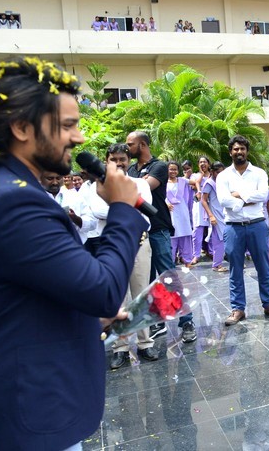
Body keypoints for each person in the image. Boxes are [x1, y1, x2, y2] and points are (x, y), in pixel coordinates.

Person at [0, 57, 145, 449]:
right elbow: (102, 289)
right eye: (68, 125)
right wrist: (121, 208)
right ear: (21, 127)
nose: (80, 137)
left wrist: (85, 317)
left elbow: (17, 296)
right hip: (28, 418)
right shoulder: (11, 203)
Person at [126, 130, 197, 343]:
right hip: (139, 233)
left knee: (168, 278)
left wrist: (127, 183)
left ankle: (187, 322)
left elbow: (142, 188)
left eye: (131, 144)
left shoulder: (159, 167)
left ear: (143, 145)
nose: (127, 147)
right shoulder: (130, 169)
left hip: (158, 230)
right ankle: (157, 323)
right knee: (146, 282)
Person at [217, 134, 269, 324]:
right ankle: (238, 309)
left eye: (242, 149)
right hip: (233, 227)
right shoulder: (223, 176)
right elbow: (223, 200)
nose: (239, 152)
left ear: (247, 151)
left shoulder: (259, 173)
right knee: (235, 269)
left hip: (257, 225)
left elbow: (263, 195)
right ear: (230, 152)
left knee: (263, 266)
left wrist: (238, 197)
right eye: (235, 149)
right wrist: (247, 200)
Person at [103, 143, 158, 370]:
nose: (118, 163)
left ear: (128, 161)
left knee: (142, 293)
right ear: (107, 161)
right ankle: (120, 348)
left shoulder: (140, 184)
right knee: (118, 297)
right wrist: (124, 207)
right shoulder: (98, 185)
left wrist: (114, 207)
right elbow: (96, 211)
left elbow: (145, 213)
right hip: (112, 246)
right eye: (113, 159)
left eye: (122, 159)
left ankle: (146, 343)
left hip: (139, 242)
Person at [200, 162, 227, 273]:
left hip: (225, 214)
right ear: (212, 172)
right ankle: (217, 265)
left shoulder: (223, 183)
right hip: (216, 215)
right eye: (217, 172)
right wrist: (211, 215)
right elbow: (203, 200)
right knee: (219, 240)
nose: (220, 174)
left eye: (222, 172)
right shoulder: (209, 183)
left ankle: (220, 262)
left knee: (224, 239)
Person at [166, 160, 194, 267]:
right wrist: (166, 203)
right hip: (170, 211)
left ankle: (187, 260)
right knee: (172, 236)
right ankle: (171, 262)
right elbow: (160, 195)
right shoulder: (163, 182)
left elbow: (195, 181)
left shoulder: (182, 180)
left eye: (175, 169)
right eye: (171, 169)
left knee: (185, 235)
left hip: (182, 211)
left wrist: (199, 191)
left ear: (178, 171)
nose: (173, 171)